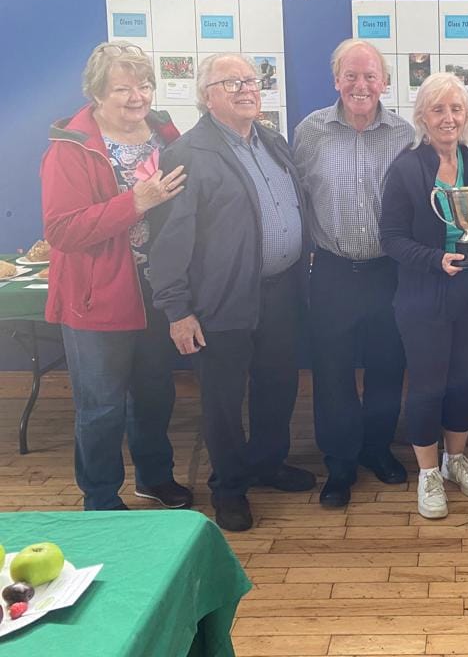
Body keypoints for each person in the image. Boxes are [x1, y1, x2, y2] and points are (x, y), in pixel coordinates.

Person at [150, 53, 316, 532]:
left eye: (251, 80)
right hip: (220, 299)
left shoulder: (273, 141)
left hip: (281, 292)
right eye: (232, 83)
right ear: (207, 96)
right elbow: (169, 240)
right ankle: (228, 487)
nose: (247, 89)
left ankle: (267, 463)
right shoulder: (187, 153)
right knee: (223, 400)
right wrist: (177, 310)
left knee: (277, 385)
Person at [41, 40, 192, 512]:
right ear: (97, 94)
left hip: (155, 290)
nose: (137, 97)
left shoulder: (164, 132)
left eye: (144, 85)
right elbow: (62, 230)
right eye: (123, 88)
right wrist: (136, 202)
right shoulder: (71, 148)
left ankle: (155, 478)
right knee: (101, 406)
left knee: (154, 394)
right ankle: (101, 497)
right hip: (97, 296)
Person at [379, 72, 468, 519]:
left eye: (456, 109)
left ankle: (456, 460)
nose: (448, 118)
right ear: (422, 117)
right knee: (428, 385)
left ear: (467, 116)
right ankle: (429, 473)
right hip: (424, 296)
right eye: (438, 109)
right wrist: (437, 259)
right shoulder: (405, 169)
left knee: (464, 380)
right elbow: (391, 238)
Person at [293, 39, 414, 509]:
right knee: (332, 373)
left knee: (388, 366)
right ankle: (340, 463)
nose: (360, 85)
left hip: (389, 271)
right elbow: (296, 199)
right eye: (351, 75)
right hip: (332, 272)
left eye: (370, 76)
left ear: (385, 82)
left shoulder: (405, 135)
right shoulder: (310, 132)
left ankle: (376, 449)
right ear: (335, 80)